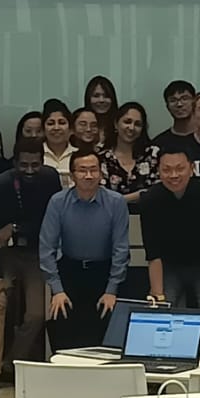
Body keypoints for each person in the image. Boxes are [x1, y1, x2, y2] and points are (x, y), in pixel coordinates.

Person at [39, 148, 131, 353]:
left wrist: (111, 290)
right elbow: (47, 248)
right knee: (64, 330)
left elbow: (121, 248)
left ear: (101, 172)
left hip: (104, 272)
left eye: (93, 170)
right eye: (82, 170)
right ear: (72, 175)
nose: (89, 176)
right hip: (70, 271)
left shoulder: (116, 202)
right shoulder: (58, 202)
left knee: (106, 335)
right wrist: (57, 289)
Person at [0, 137, 61, 367]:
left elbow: (50, 221)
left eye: (35, 165)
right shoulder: (1, 184)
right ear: (14, 162)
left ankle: (12, 361)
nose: (29, 170)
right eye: (23, 165)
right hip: (5, 254)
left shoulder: (50, 179)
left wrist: (15, 227)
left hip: (36, 253)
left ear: (43, 161)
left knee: (37, 314)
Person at [142, 149, 200, 323]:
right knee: (163, 315)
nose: (174, 175)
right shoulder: (150, 200)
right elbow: (153, 253)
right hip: (168, 266)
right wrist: (158, 295)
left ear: (191, 168)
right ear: (158, 171)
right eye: (167, 170)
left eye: (180, 168)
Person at [100, 102, 158, 201]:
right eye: (127, 122)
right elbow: (102, 197)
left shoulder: (153, 154)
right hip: (112, 211)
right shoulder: (102, 158)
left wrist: (119, 200)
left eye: (137, 124)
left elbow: (157, 191)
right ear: (116, 124)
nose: (131, 128)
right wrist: (138, 195)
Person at [40, 99, 76, 179]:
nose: (56, 128)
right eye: (51, 123)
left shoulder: (79, 155)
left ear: (70, 128)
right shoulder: (36, 154)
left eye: (62, 123)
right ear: (43, 129)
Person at [158, 79, 198, 145]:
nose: (179, 104)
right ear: (167, 106)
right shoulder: (159, 143)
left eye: (184, 99)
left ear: (194, 102)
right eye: (173, 100)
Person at [83, 76, 120, 147]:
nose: (101, 100)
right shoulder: (79, 125)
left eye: (106, 96)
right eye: (96, 96)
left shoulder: (120, 127)